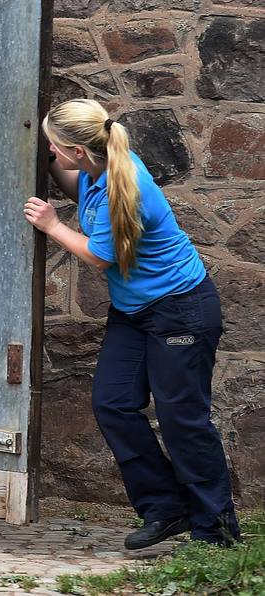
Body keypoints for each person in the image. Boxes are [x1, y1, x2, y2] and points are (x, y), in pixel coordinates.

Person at [23, 98, 240, 550]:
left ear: (79, 151)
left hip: (180, 309)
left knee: (183, 421)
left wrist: (51, 225)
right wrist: (47, 163)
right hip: (134, 313)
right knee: (113, 404)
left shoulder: (127, 187)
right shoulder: (102, 166)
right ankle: (166, 507)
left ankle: (215, 533)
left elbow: (100, 257)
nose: (52, 151)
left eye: (54, 146)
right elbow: (74, 182)